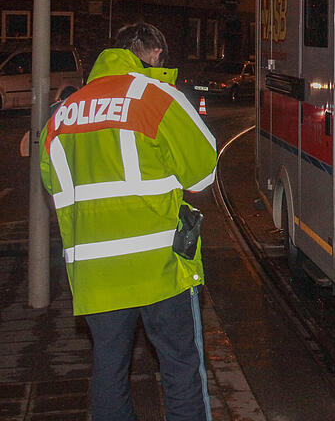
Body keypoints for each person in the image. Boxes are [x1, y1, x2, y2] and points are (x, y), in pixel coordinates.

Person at [39, 23, 218, 421]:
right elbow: (203, 174)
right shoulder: (156, 98)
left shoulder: (63, 114)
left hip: (95, 274)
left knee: (109, 373)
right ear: (153, 54)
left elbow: (51, 180)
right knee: (180, 371)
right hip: (161, 269)